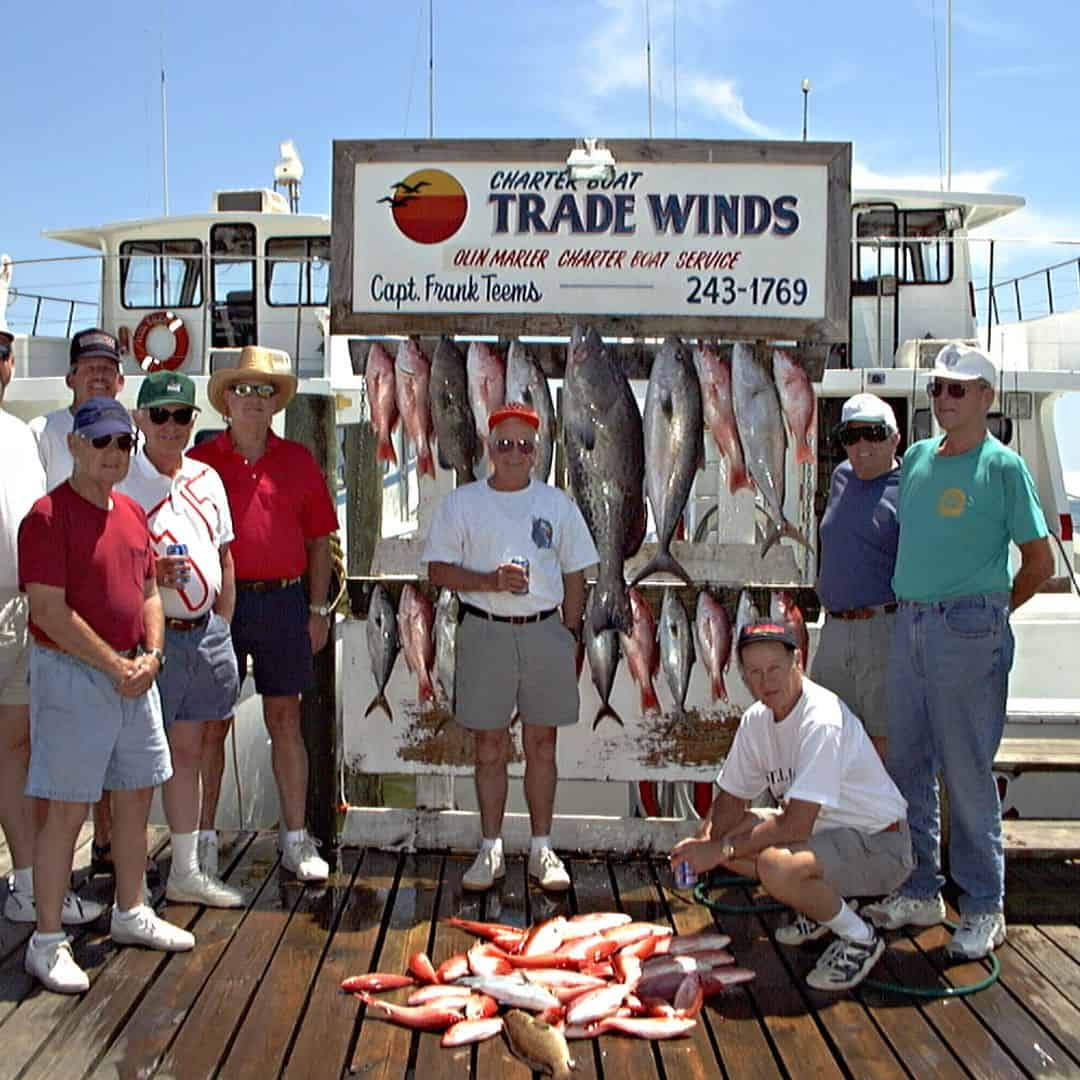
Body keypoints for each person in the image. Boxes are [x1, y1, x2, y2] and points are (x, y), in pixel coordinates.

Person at [864, 344, 1054, 960]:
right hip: (909, 626)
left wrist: (990, 614)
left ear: (986, 399)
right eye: (939, 389)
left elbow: (1038, 562)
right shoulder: (916, 458)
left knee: (967, 774)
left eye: (960, 389)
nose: (945, 399)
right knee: (908, 768)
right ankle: (921, 888)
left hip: (968, 629)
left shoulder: (1004, 469)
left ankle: (984, 905)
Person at [18, 397, 194, 994]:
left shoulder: (131, 515)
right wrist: (116, 665)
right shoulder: (44, 517)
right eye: (101, 443)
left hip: (133, 674)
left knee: (136, 795)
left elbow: (148, 592)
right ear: (74, 445)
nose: (114, 454)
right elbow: (48, 610)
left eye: (124, 444)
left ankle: (130, 908)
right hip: (73, 675)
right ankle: (45, 941)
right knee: (66, 810)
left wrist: (151, 655)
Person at [670, 622, 913, 992]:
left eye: (774, 668)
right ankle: (822, 908)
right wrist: (706, 841)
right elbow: (732, 799)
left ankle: (861, 937)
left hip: (880, 846)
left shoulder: (822, 720)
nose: (766, 680)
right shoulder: (757, 720)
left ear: (797, 660)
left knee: (774, 866)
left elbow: (796, 825)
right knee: (728, 835)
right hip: (826, 836)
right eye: (754, 672)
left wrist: (719, 850)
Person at [423, 402, 598, 893]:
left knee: (543, 744)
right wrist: (490, 581)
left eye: (524, 445)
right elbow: (438, 570)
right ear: (488, 448)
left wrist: (570, 629)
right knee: (489, 746)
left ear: (537, 451)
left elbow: (575, 571)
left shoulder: (558, 503)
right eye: (505, 444)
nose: (515, 453)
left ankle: (542, 847)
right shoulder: (462, 503)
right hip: (484, 629)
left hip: (546, 631)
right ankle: (490, 847)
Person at [188, 346, 337, 883]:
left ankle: (294, 840)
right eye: (243, 389)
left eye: (264, 391)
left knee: (285, 720)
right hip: (218, 607)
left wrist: (318, 608)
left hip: (284, 603)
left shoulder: (298, 461)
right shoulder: (199, 465)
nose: (253, 399)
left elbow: (320, 542)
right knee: (210, 725)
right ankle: (201, 841)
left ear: (276, 404)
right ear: (226, 400)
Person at [120, 371, 243, 907]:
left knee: (189, 751)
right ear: (140, 420)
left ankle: (185, 871)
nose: (172, 426)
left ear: (195, 422)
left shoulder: (208, 479)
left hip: (207, 633)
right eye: (161, 415)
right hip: (152, 641)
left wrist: (224, 623)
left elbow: (225, 556)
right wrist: (150, 573)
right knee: (141, 764)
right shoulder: (122, 481)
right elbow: (107, 569)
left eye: (183, 416)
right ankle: (131, 887)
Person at [1, 330, 104, 928]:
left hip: (24, 610)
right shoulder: (41, 432)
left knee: (19, 748)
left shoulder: (22, 434)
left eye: (1, 353)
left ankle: (25, 880)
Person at [28, 327, 126, 873]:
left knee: (115, 748)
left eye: (106, 367)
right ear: (69, 377)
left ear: (120, 378)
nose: (97, 374)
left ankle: (108, 845)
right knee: (58, 755)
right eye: (87, 366)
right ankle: (52, 876)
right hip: (60, 616)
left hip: (117, 614)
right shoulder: (41, 432)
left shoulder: (128, 432)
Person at [811, 393, 901, 760]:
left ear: (895, 438)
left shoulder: (912, 483)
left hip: (883, 632)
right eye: (851, 436)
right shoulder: (841, 477)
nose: (862, 446)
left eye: (874, 434)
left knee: (883, 749)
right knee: (823, 738)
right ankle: (834, 820)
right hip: (833, 632)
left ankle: (884, 821)